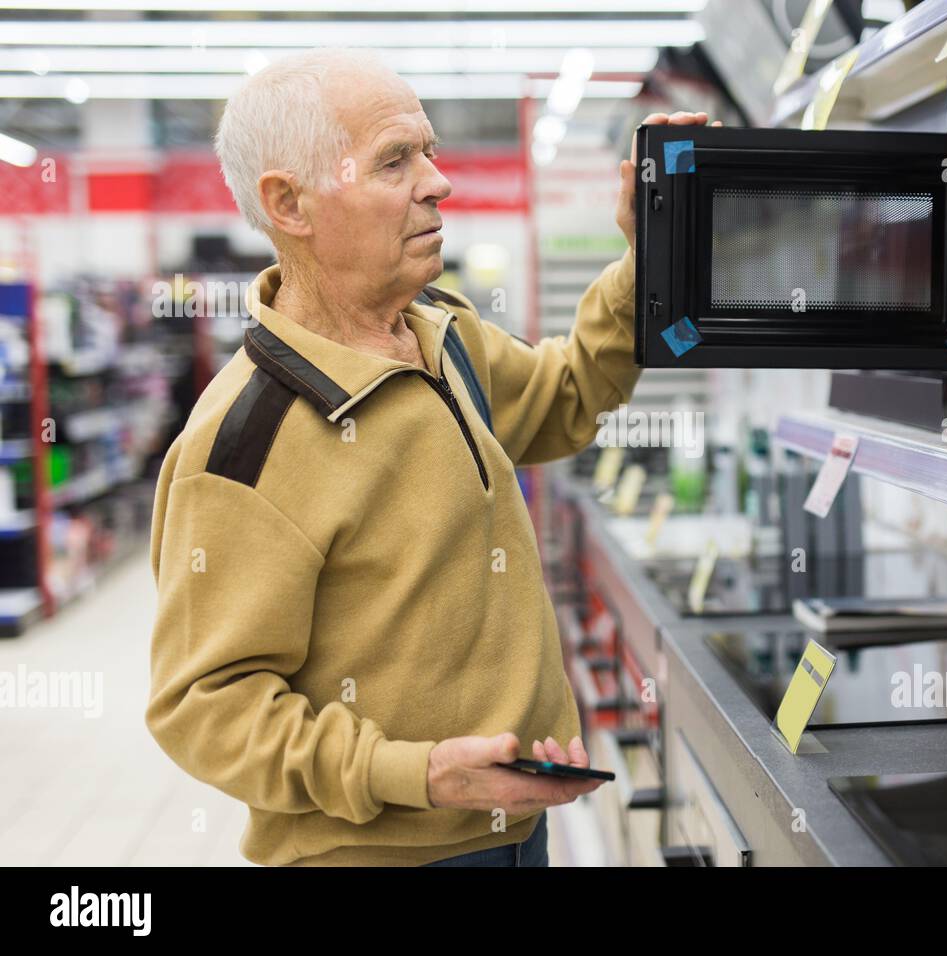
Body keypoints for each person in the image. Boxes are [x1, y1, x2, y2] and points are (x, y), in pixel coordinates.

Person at [145, 46, 716, 866]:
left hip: (516, 825)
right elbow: (203, 708)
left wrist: (646, 255)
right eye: (393, 160)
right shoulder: (245, 443)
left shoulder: (442, 332)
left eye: (429, 152)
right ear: (289, 203)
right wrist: (413, 773)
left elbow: (567, 392)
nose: (437, 182)